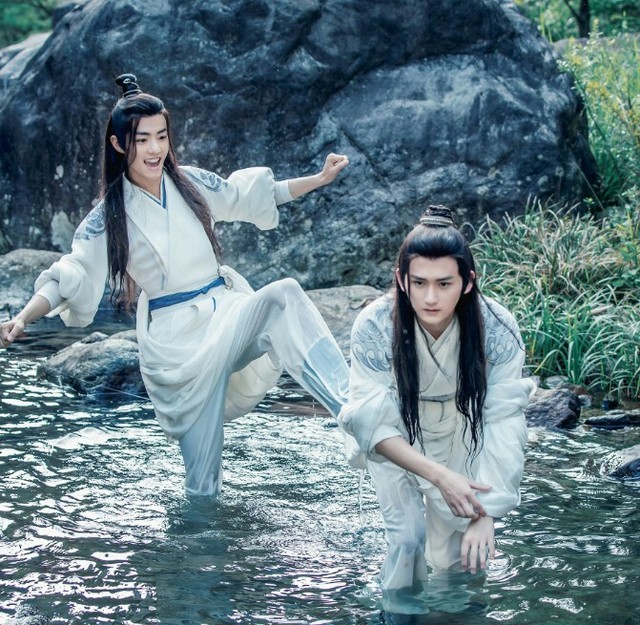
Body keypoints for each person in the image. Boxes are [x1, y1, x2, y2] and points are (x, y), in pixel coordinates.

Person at [0, 73, 350, 496]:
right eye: (142, 139)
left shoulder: (190, 183)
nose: (154, 149)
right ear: (118, 144)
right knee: (202, 488)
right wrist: (22, 318)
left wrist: (318, 179)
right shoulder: (108, 216)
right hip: (177, 344)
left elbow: (252, 195)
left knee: (284, 296)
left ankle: (353, 409)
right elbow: (69, 276)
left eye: (161, 137)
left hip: (226, 312)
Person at [338, 205, 536, 595]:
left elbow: (504, 420)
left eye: (445, 283)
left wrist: (486, 513)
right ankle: (396, 613)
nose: (431, 297)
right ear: (401, 279)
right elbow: (370, 421)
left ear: (467, 282)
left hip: (460, 427)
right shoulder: (375, 326)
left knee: (459, 559)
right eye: (419, 282)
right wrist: (441, 477)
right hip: (395, 432)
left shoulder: (497, 327)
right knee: (407, 539)